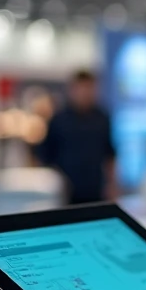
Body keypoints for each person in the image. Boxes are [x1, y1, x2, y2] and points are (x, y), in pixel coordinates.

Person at [39, 70, 117, 205]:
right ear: (72, 89)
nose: (85, 93)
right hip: (66, 192)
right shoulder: (59, 119)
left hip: (95, 189)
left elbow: (109, 153)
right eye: (81, 88)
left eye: (89, 88)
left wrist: (112, 184)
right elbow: (45, 156)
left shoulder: (102, 118)